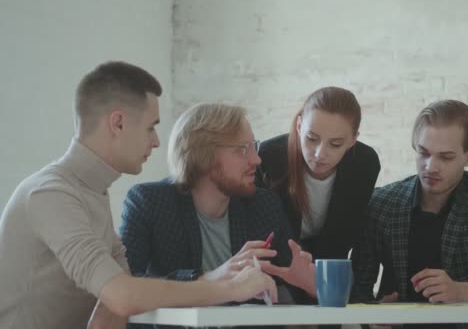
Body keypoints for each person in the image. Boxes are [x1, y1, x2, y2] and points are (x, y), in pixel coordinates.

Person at [0, 62, 277, 329]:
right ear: (118, 123)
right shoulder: (51, 194)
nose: (156, 141)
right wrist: (228, 288)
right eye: (150, 127)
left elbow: (124, 284)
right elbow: (123, 295)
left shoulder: (91, 191)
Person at [120, 103, 315, 327]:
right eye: (242, 149)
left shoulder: (264, 205)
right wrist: (211, 280)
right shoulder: (149, 202)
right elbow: (124, 287)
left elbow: (293, 287)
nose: (256, 160)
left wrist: (310, 284)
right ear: (203, 154)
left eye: (254, 147)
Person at [350, 99, 468, 329]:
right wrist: (372, 316)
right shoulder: (381, 203)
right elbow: (357, 288)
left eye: (446, 157)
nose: (431, 167)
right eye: (423, 153)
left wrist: (464, 291)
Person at [256, 86, 380, 263]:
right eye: (311, 139)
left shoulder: (365, 163)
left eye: (335, 144)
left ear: (353, 140)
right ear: (299, 126)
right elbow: (265, 235)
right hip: (277, 264)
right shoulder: (269, 157)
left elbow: (343, 240)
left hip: (330, 264)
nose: (320, 154)